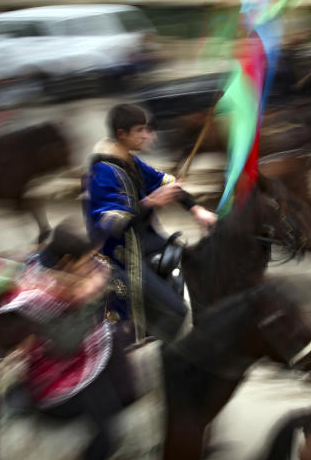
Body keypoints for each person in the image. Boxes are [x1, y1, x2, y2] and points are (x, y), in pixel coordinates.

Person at [0, 223, 129, 460]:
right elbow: (67, 343)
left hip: (82, 356)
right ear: (67, 261)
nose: (91, 265)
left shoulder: (66, 272)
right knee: (108, 432)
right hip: (54, 378)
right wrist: (89, 299)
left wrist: (93, 285)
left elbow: (102, 271)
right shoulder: (38, 293)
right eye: (84, 261)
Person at [84, 103, 217, 342]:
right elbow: (111, 224)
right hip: (122, 255)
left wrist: (197, 209)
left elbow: (168, 185)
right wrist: (151, 202)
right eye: (141, 130)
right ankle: (156, 352)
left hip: (149, 240)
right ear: (122, 135)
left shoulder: (131, 162)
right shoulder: (102, 173)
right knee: (178, 310)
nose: (148, 135)